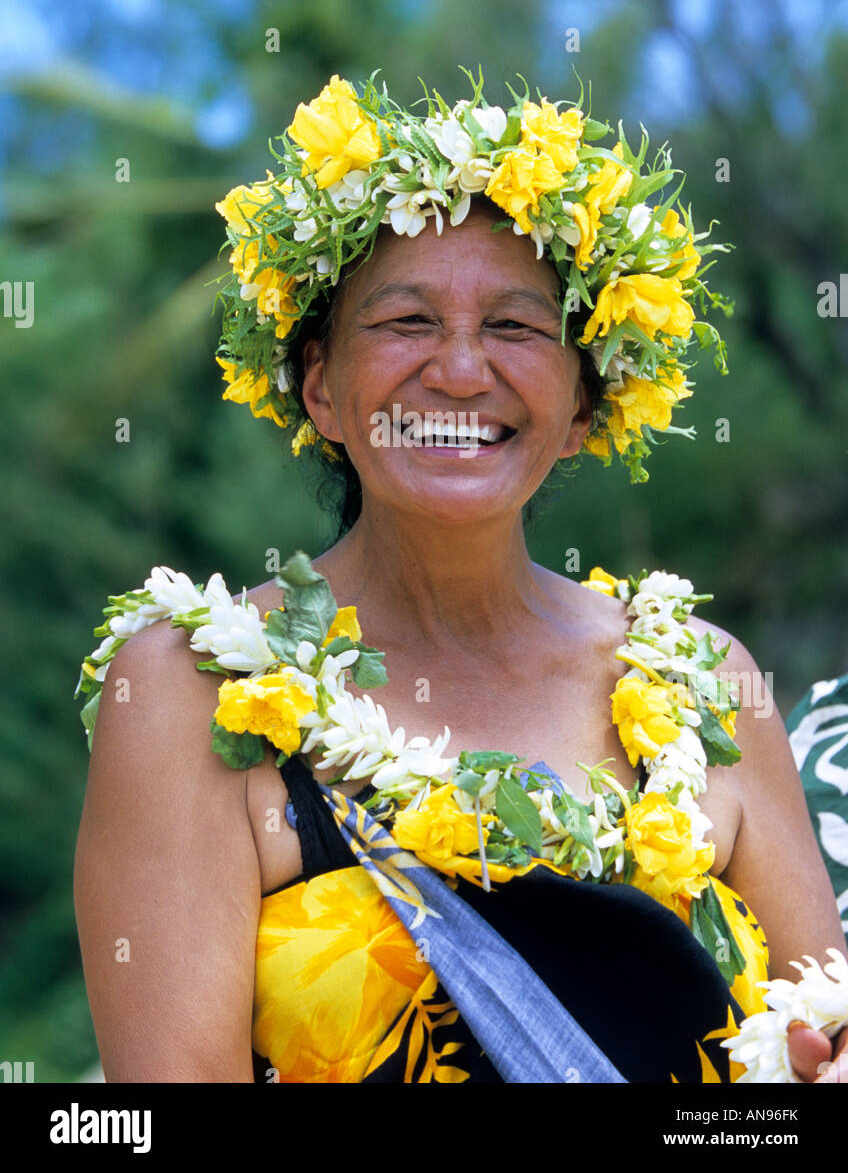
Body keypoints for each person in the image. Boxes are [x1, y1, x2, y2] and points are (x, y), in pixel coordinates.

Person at [73, 73, 848, 1084]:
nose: (460, 371)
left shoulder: (701, 683)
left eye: (516, 327)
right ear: (319, 387)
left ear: (581, 408)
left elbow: (820, 1035)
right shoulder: (192, 693)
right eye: (405, 321)